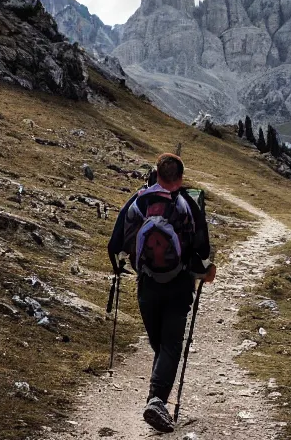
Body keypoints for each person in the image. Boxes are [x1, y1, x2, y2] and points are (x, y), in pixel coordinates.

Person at [108, 153, 216, 433]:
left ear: (156, 173)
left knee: (160, 344)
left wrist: (121, 266)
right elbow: (202, 251)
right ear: (179, 178)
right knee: (169, 346)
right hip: (178, 285)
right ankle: (156, 400)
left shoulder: (138, 201)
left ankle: (156, 398)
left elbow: (115, 242)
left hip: (147, 285)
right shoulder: (186, 204)